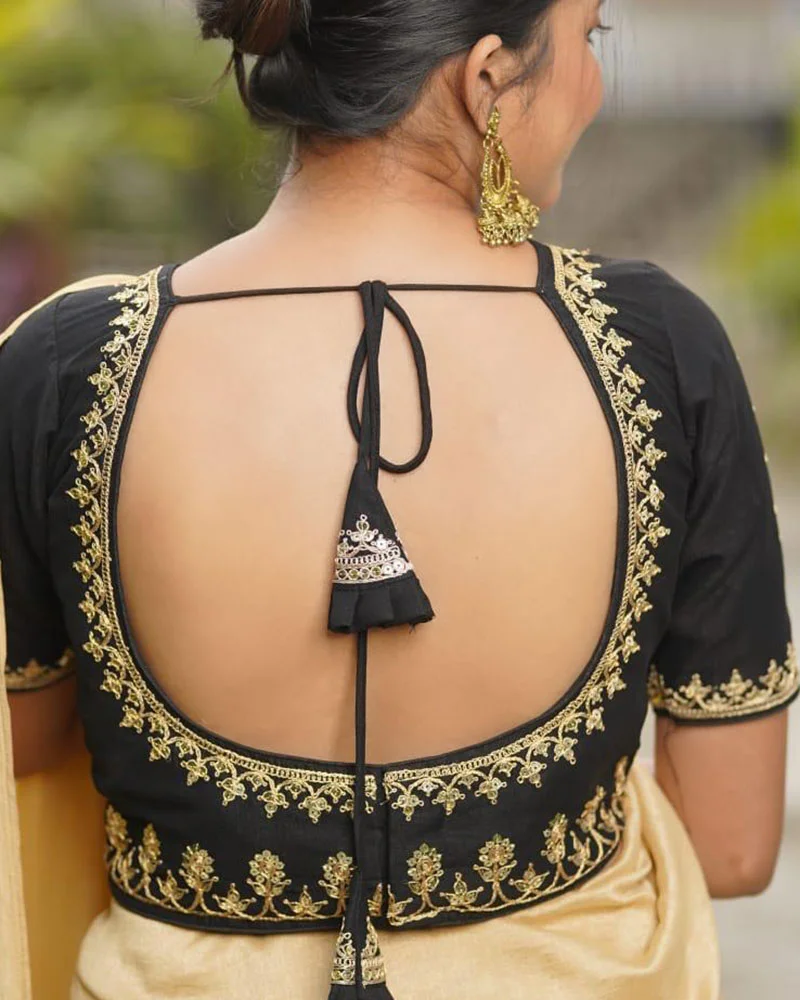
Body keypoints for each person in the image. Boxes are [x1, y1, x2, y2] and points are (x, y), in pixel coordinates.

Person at [1, 1, 797, 998]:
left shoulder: (65, 368)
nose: (594, 86)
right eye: (589, 37)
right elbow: (730, 843)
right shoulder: (659, 350)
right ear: (487, 76)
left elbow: (21, 748)